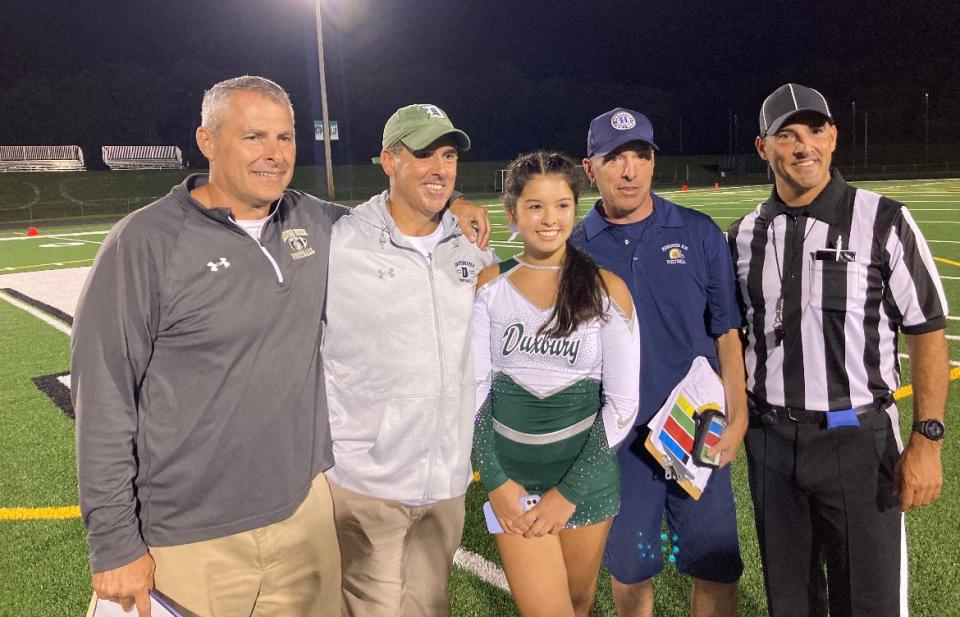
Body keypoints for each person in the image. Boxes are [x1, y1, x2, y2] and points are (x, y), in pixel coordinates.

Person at [73, 80, 490, 617]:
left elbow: (398, 216)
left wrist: (452, 197)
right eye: (253, 137)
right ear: (207, 140)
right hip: (189, 533)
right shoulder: (145, 242)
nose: (273, 153)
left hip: (303, 516)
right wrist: (113, 541)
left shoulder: (312, 222)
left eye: (286, 138)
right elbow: (103, 397)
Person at [728, 83, 949, 617]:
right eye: (788, 134)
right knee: (792, 601)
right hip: (772, 444)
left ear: (833, 138)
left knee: (869, 601)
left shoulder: (884, 220)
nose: (804, 146)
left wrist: (928, 439)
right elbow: (732, 339)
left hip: (857, 441)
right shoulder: (741, 236)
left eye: (816, 131)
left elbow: (926, 331)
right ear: (764, 148)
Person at [322, 103, 497, 617]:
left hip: (446, 480)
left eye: (448, 155)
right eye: (422, 154)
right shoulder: (342, 241)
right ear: (388, 161)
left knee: (428, 607)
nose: (439, 168)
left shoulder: (472, 244)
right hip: (368, 482)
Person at [571, 108, 747, 617]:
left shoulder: (697, 232)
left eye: (641, 156)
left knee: (714, 565)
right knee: (632, 571)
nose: (630, 171)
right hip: (618, 445)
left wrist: (738, 415)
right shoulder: (575, 248)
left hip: (696, 431)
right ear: (590, 168)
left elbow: (727, 332)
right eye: (615, 159)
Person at [472, 151, 641, 617]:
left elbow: (622, 405)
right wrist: (496, 481)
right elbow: (474, 391)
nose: (550, 219)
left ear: (575, 208)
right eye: (535, 206)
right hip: (514, 483)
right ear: (513, 212)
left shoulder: (607, 289)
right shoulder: (491, 286)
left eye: (562, 205)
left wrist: (567, 495)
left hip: (584, 483)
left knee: (579, 602)